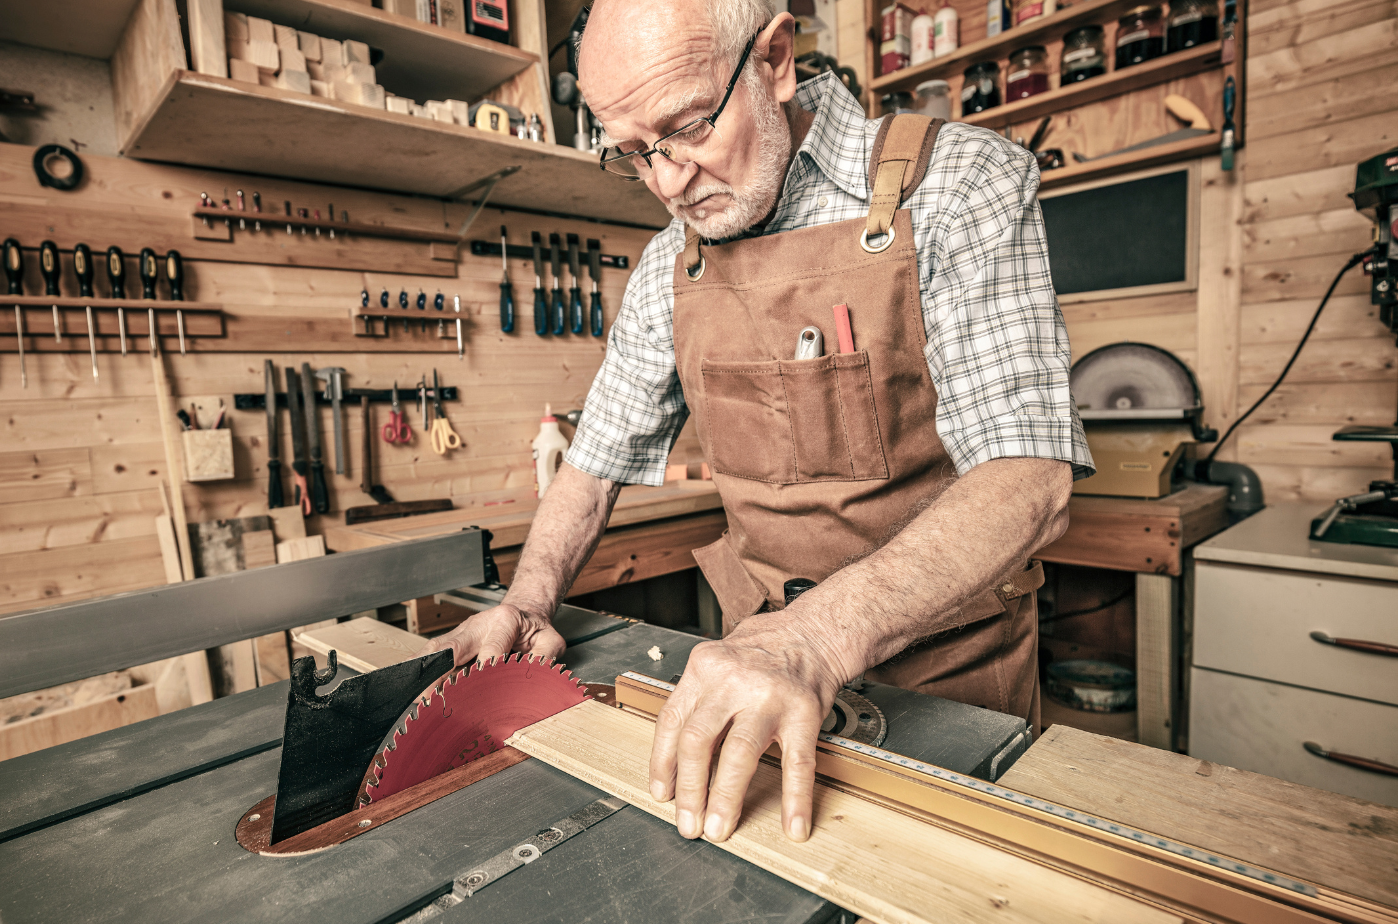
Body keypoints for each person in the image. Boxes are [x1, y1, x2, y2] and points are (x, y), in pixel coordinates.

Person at [426, 0, 1093, 846]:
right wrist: (527, 599)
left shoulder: (957, 182)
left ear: (774, 59)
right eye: (634, 153)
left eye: (689, 126)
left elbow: (1029, 481)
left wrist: (811, 637)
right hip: (757, 677)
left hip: (948, 680)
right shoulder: (672, 260)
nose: (667, 181)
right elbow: (593, 461)